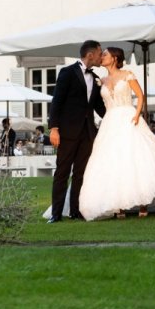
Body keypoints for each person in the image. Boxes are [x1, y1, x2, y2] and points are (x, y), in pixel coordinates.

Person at [59, 46, 155, 220]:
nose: (102, 57)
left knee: (136, 157)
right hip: (110, 122)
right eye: (101, 54)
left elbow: (140, 96)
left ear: (114, 58)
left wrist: (136, 114)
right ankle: (118, 205)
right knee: (112, 161)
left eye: (105, 54)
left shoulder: (127, 74)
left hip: (128, 117)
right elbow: (94, 103)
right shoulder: (101, 80)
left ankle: (143, 203)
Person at [46, 40, 107, 223]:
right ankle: (56, 214)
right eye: (99, 53)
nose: (101, 56)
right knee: (62, 173)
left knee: (81, 174)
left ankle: (75, 210)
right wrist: (54, 129)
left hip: (87, 133)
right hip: (67, 132)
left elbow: (99, 107)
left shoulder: (95, 77)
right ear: (90, 55)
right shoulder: (67, 73)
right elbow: (57, 101)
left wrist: (119, 113)